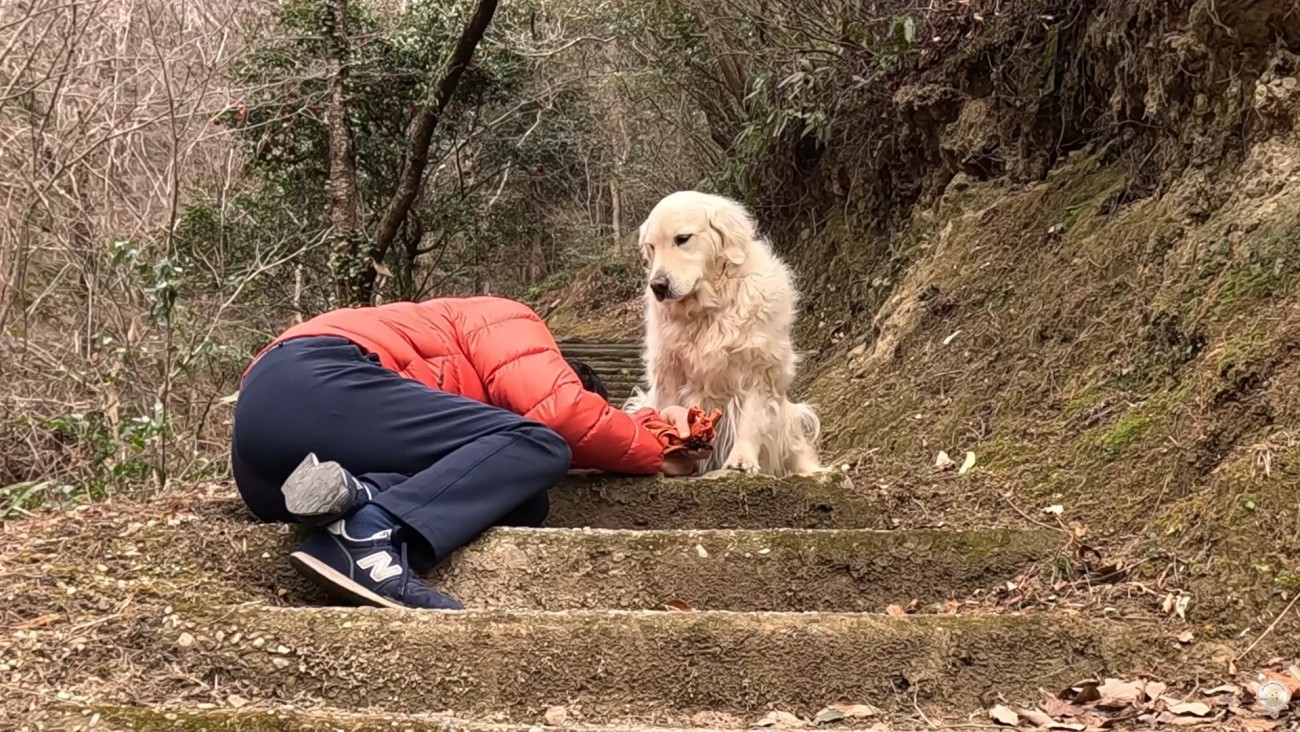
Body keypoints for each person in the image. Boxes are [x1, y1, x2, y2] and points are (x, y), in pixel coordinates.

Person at [230, 295, 702, 610]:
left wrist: (650, 424)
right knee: (539, 444)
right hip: (317, 374)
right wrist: (652, 447)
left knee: (526, 501)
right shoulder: (504, 318)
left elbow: (510, 455)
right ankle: (368, 534)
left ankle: (359, 497)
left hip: (268, 468)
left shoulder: (462, 422)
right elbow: (560, 413)